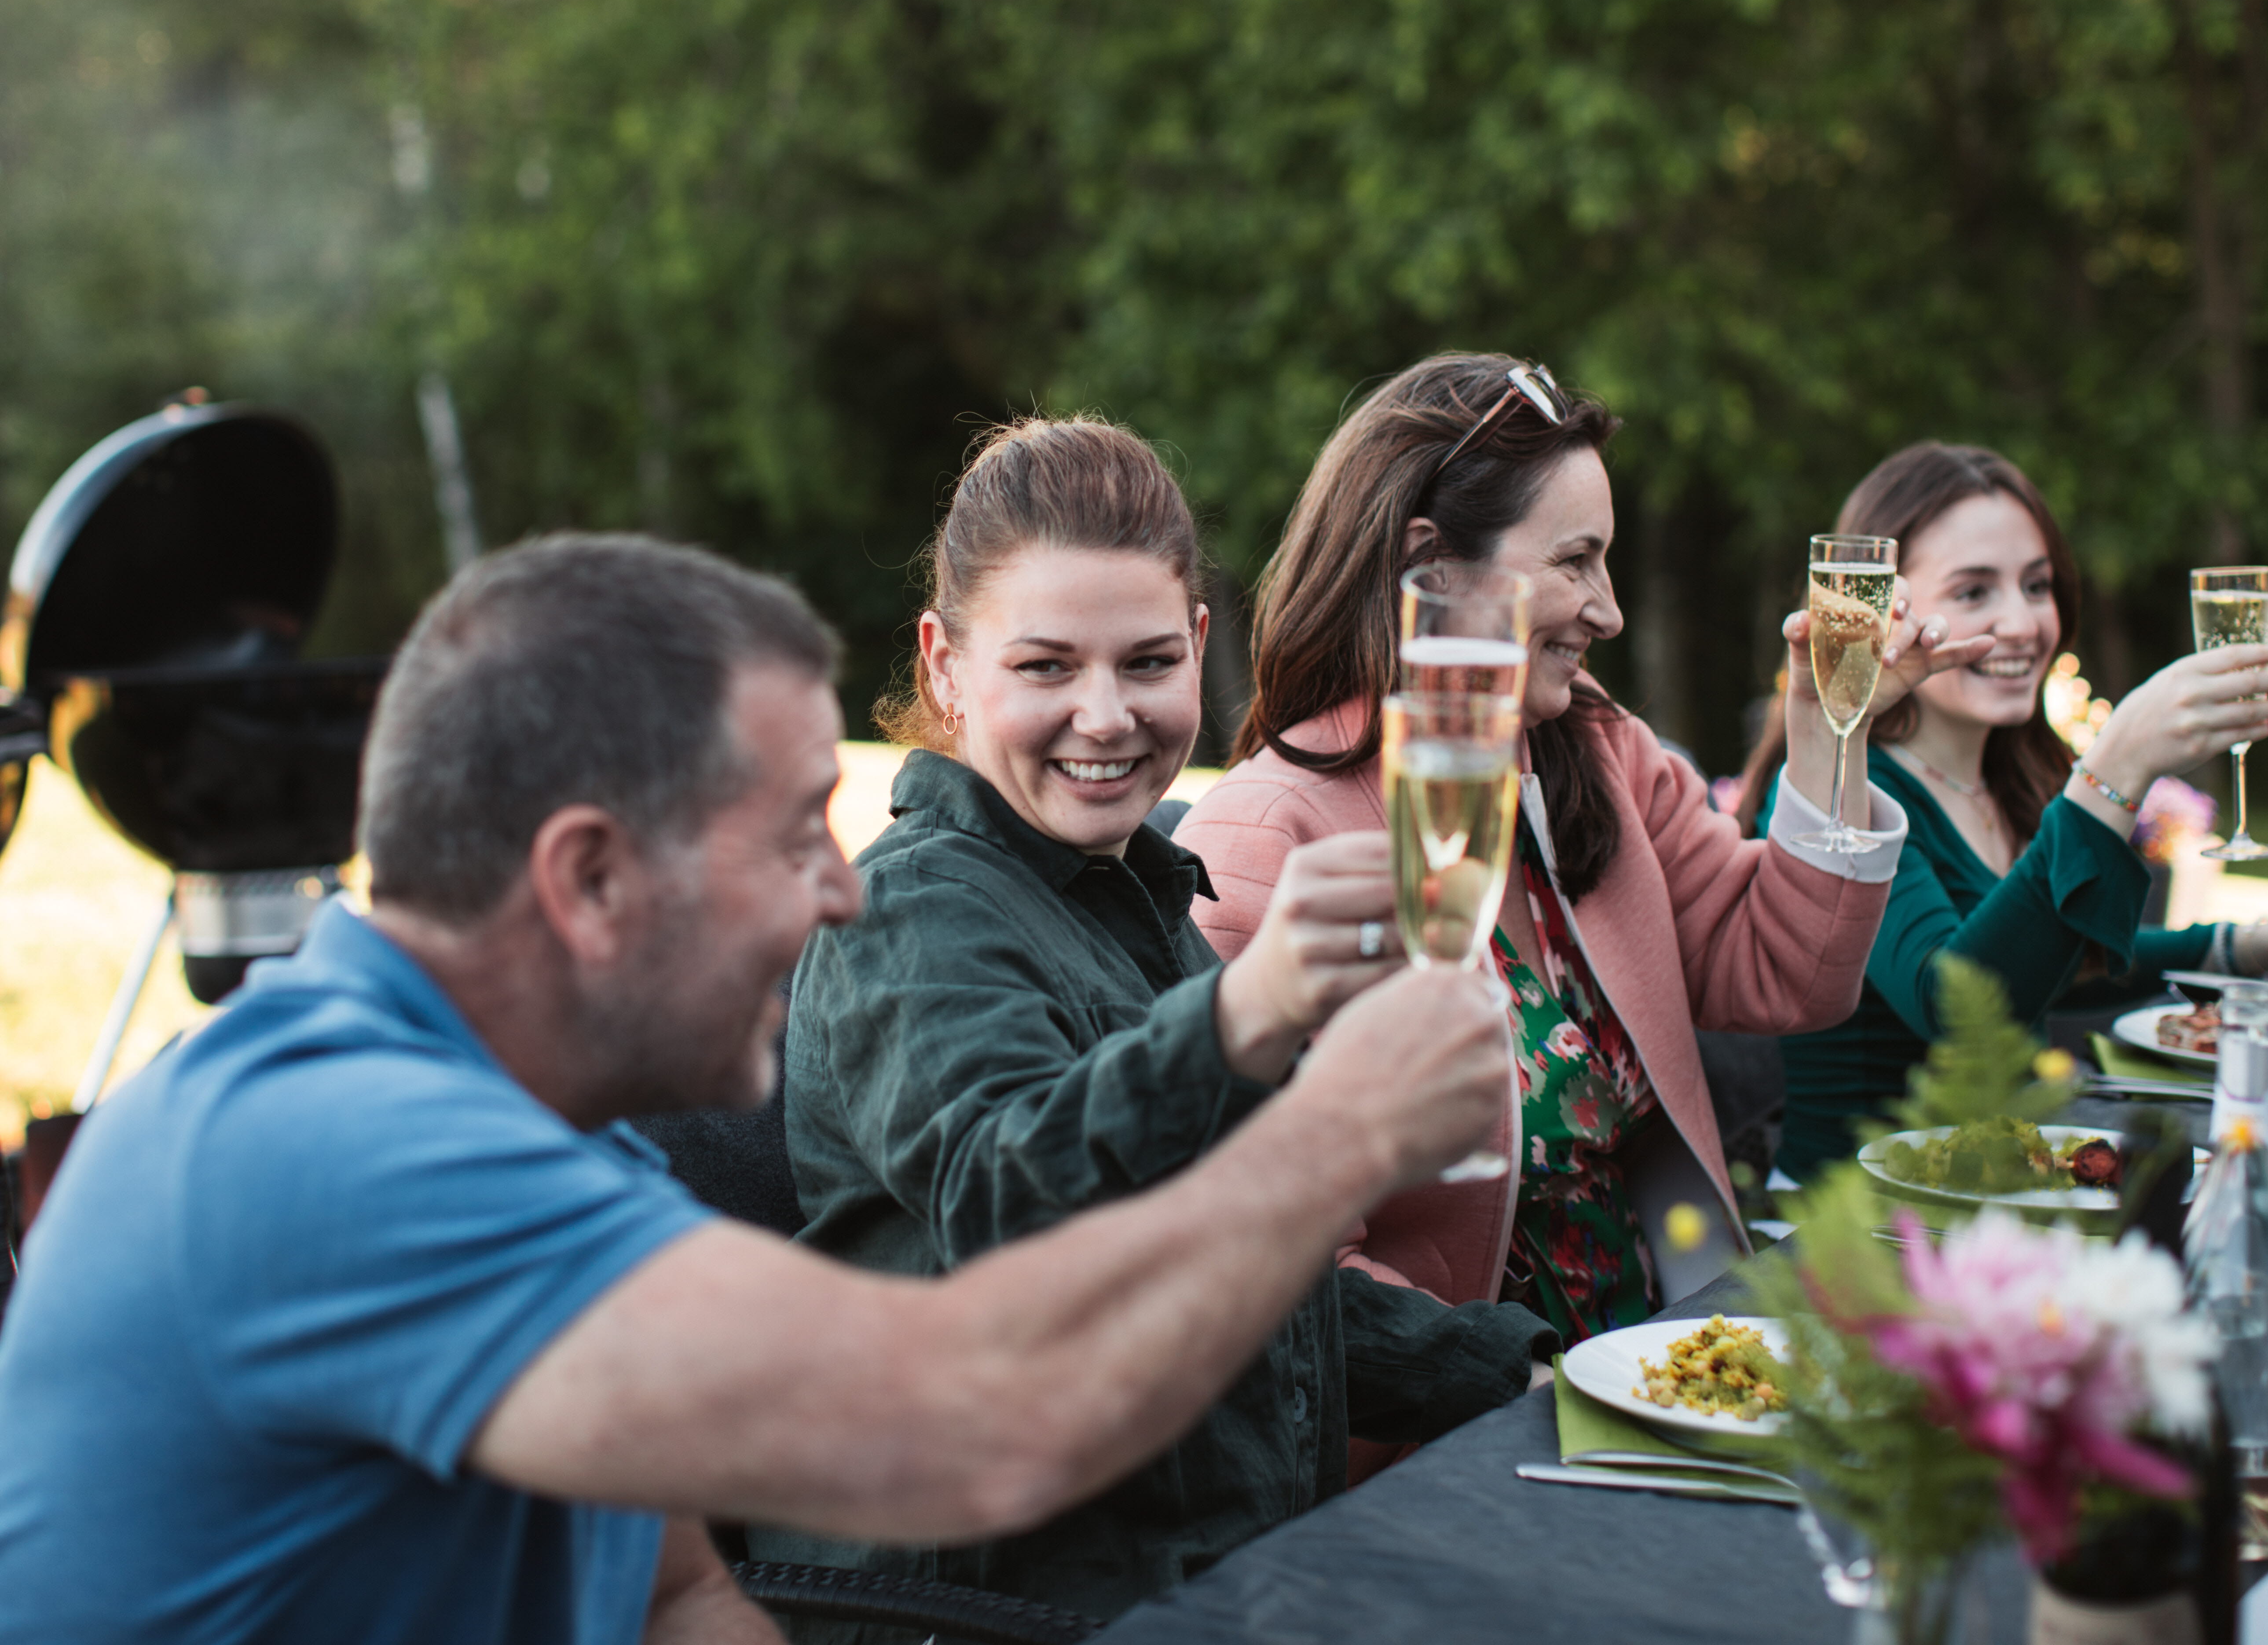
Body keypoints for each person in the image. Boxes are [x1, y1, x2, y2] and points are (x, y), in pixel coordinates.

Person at [0, 534, 1511, 1645]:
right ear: (592, 879)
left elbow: (681, 1598)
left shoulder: (566, 1157)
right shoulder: (332, 1154)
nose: (843, 896)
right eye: (797, 834)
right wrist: (1339, 1132)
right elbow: (984, 1421)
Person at [753, 419, 1551, 1633]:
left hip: (1215, 1575)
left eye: (1144, 663)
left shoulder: (1147, 895)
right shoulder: (907, 911)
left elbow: (1243, 1272)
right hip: (991, 1601)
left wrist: (1518, 1376)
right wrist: (1253, 1009)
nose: (1107, 715)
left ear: (1200, 651)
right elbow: (1009, 1207)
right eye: (1045, 668)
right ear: (942, 668)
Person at [1180, 353, 1989, 1357]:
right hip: (1447, 1432)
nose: (1607, 609)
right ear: (1430, 565)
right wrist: (1505, 1389)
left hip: (1670, 1350)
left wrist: (1829, 720)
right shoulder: (1266, 836)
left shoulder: (1594, 751)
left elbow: (1784, 971)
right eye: (1575, 561)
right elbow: (1288, 1262)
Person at [1732, 442, 2268, 1180]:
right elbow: (1960, 1006)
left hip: (1995, 1192)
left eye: (2036, 586)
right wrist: (2112, 771)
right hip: (1853, 1229)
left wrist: (2243, 951)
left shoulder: (2007, 777)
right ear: (1886, 609)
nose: (2022, 622)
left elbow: (2052, 959)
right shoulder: (1836, 795)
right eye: (1975, 592)